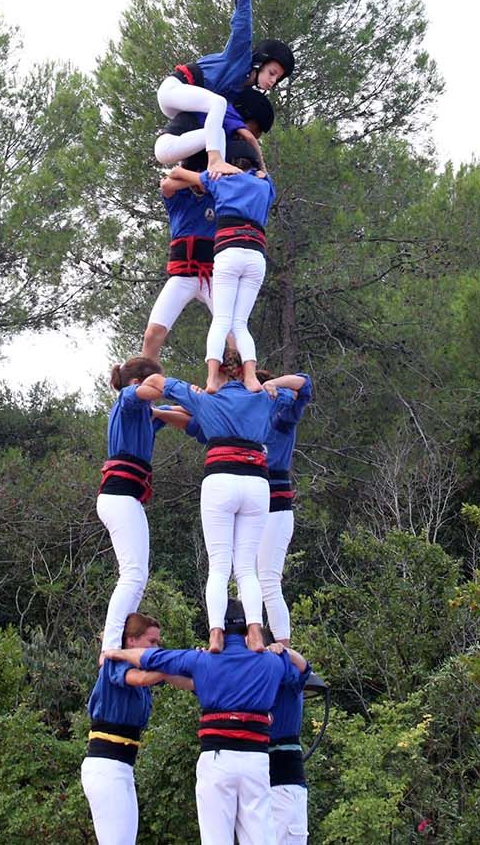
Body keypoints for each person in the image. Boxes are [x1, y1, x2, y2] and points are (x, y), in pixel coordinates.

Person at [102, 599, 300, 845]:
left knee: (216, 839)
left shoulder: (203, 660)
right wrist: (283, 651)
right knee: (260, 838)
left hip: (216, 758)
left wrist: (116, 652)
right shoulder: (271, 662)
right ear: (251, 626)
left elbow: (153, 658)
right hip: (256, 759)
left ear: (217, 627)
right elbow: (302, 673)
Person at [139, 352, 274, 653]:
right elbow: (297, 389)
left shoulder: (205, 399)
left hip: (221, 479)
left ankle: (216, 634)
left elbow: (156, 381)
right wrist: (269, 384)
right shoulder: (264, 397)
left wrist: (143, 398)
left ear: (217, 369)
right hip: (256, 481)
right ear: (246, 370)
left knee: (219, 566)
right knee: (247, 568)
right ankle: (255, 633)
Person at [143, 95, 274, 362]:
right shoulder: (181, 198)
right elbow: (167, 184)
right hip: (183, 276)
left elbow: (250, 183)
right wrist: (199, 178)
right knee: (153, 333)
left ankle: (232, 385)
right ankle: (144, 381)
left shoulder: (223, 194)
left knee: (232, 334)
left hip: (216, 275)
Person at [155, 0, 294, 173]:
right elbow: (242, 29)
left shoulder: (240, 90)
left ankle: (193, 171)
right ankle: (215, 161)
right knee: (217, 103)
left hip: (185, 106)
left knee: (216, 131)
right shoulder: (239, 58)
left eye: (278, 79)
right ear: (260, 62)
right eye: (272, 72)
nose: (273, 80)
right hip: (174, 89)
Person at [164, 139, 277, 392]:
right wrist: (259, 160)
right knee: (240, 323)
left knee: (222, 320)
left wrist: (214, 166)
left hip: (229, 252)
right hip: (256, 256)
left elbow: (176, 173)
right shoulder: (265, 184)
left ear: (232, 162)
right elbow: (263, 169)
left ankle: (212, 379)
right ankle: (250, 377)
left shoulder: (222, 179)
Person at [82, 612, 192, 845]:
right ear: (131, 641)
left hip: (122, 766)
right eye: (151, 642)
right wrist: (170, 663)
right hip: (106, 765)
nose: (156, 647)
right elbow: (142, 678)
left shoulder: (144, 671)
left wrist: (203, 668)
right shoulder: (114, 662)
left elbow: (184, 681)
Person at [98, 357, 169, 650]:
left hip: (126, 499)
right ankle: (111, 646)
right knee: (133, 574)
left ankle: (122, 641)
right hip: (119, 497)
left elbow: (178, 410)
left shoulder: (144, 416)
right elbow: (148, 394)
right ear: (137, 383)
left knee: (138, 575)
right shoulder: (128, 401)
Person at [257, 371, 314, 644]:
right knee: (247, 581)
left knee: (268, 580)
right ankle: (247, 643)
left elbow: (305, 384)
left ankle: (283, 647)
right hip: (252, 505)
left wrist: (274, 384)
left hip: (276, 504)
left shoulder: (281, 417)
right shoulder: (247, 421)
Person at [266, 641, 313, 843]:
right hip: (257, 779)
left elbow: (304, 668)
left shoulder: (288, 681)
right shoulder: (251, 685)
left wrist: (285, 651)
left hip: (285, 778)